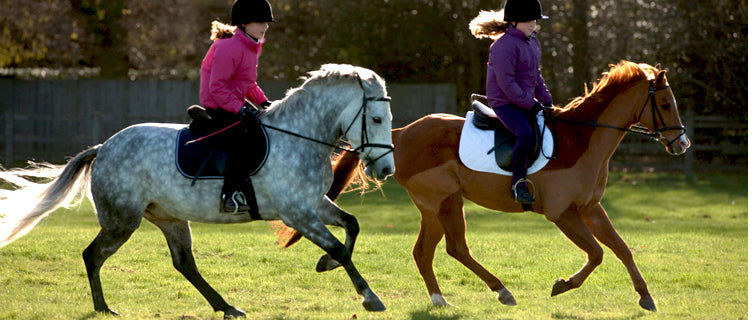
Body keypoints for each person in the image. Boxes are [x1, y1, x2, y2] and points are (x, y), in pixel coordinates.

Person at [469, 0, 553, 205]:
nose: (533, 25)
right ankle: (518, 184)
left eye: (534, 20)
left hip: (524, 101)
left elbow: (536, 77)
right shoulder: (502, 47)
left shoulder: (532, 41)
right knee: (524, 134)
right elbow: (506, 83)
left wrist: (547, 101)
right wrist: (530, 104)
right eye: (528, 21)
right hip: (504, 103)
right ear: (513, 21)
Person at [199, 0, 274, 213]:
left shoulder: (251, 46)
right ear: (244, 24)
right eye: (261, 22)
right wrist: (240, 110)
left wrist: (263, 102)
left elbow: (247, 83)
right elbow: (217, 88)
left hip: (231, 104)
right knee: (244, 140)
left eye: (267, 22)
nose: (266, 26)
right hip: (218, 105)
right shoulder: (229, 47)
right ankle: (228, 195)